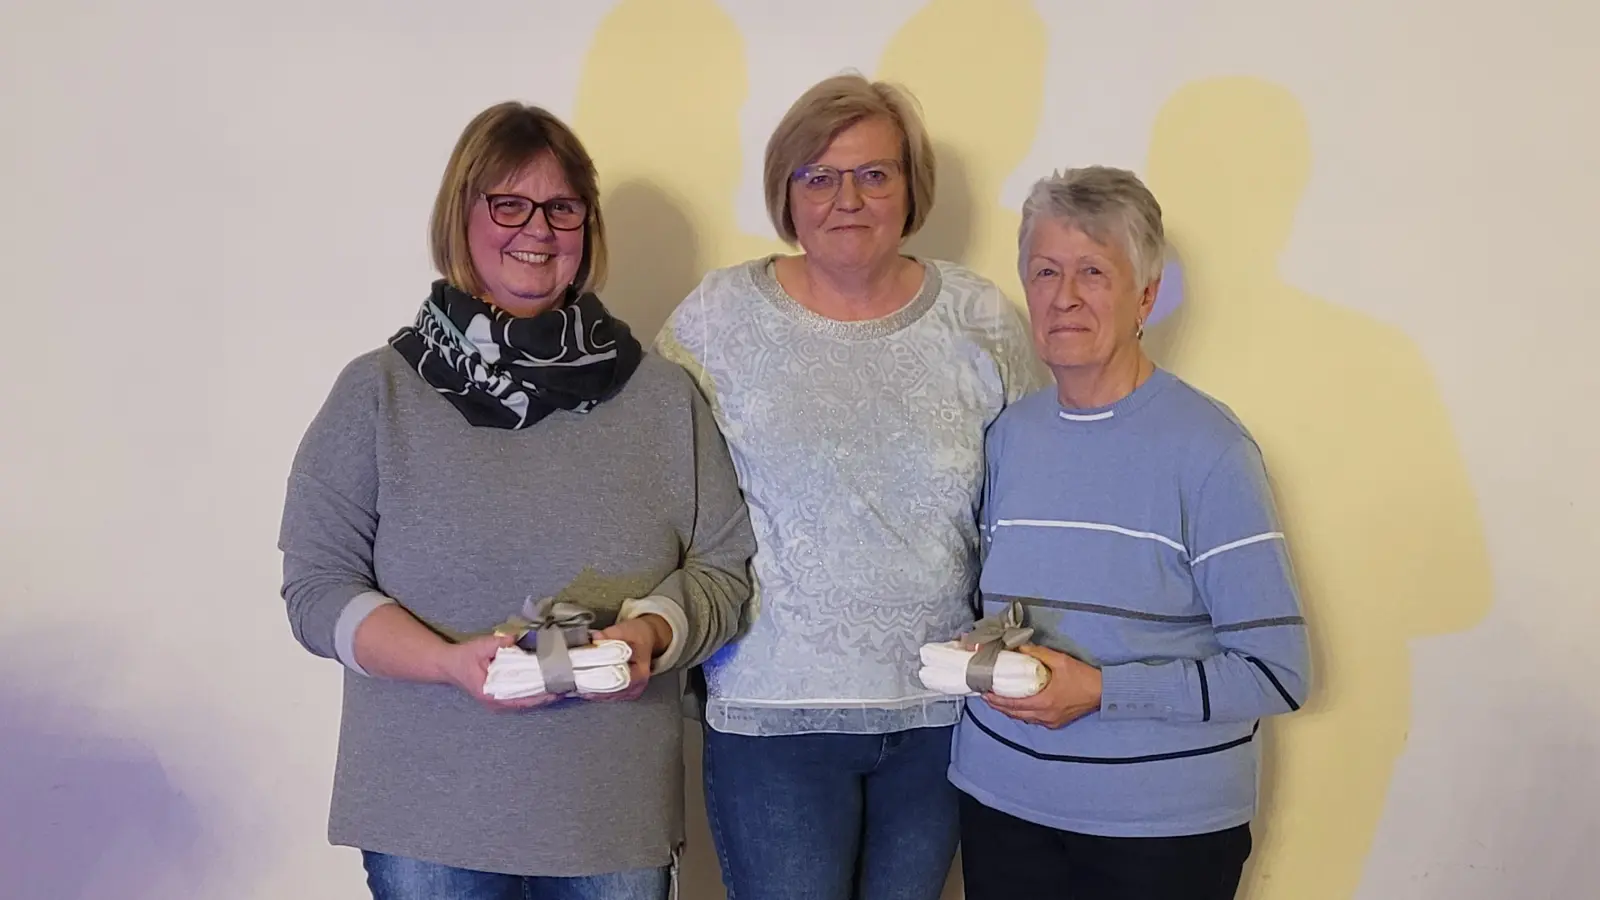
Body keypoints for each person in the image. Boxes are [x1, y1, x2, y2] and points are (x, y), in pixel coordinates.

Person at [276, 101, 755, 900]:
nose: (537, 228)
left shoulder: (661, 397)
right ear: (460, 216)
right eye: (508, 203)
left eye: (562, 207)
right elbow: (316, 589)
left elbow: (724, 571)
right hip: (426, 815)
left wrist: (649, 635)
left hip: (608, 817)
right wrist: (445, 664)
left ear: (586, 227)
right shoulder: (378, 393)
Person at [653, 74, 1042, 900]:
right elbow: (656, 486)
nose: (848, 198)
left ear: (911, 187)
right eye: (818, 176)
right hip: (772, 715)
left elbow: (1030, 500)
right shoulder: (717, 319)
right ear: (785, 193)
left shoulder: (978, 319)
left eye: (875, 174)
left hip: (941, 714)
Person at [950, 165, 1312, 900]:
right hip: (1001, 804)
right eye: (1045, 271)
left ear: (1146, 296)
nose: (1064, 296)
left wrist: (1103, 691)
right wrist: (982, 647)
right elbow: (1004, 610)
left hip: (1161, 835)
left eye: (1093, 272)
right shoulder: (1005, 438)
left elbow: (1279, 671)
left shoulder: (1210, 451)